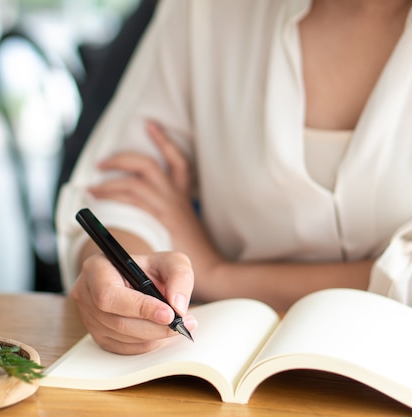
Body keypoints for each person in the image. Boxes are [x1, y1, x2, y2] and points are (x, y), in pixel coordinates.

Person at [55, 0, 412, 355]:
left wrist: (219, 276)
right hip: (224, 359)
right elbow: (119, 188)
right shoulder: (205, 10)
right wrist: (128, 282)